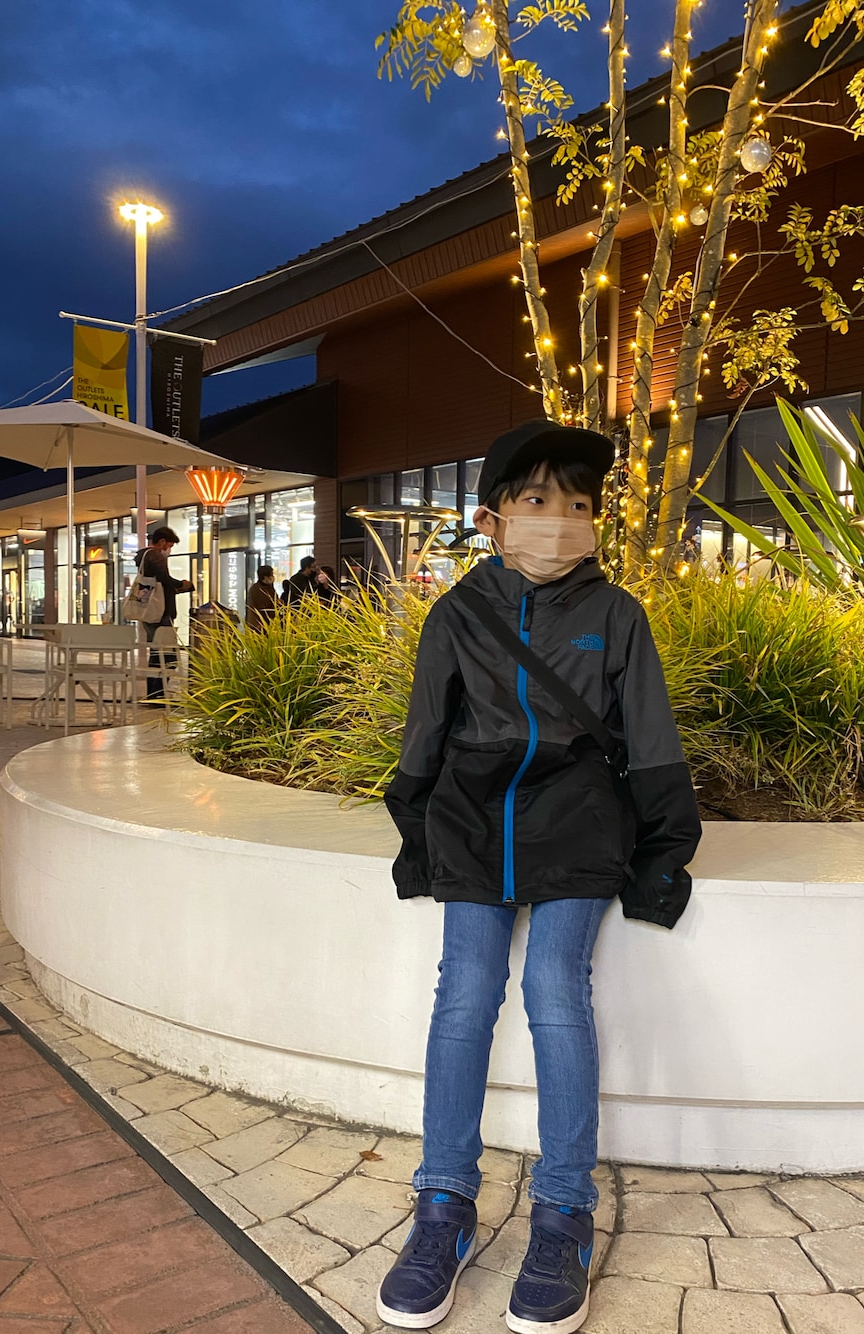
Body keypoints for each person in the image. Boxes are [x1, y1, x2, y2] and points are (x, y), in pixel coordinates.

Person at [376, 421, 701, 1333]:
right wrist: (417, 836)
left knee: (555, 987)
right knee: (465, 990)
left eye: (578, 503)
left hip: (578, 820)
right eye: (537, 500)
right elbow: (424, 735)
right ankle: (443, 1204)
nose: (560, 518)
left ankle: (563, 1213)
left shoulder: (616, 614)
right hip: (474, 822)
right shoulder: (457, 613)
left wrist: (665, 852)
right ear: (493, 517)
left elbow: (650, 738)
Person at [134, 526, 193, 702]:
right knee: (168, 655)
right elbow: (164, 579)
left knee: (156, 653)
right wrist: (182, 584)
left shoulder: (144, 556)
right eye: (170, 545)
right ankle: (157, 694)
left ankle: (154, 693)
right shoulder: (155, 555)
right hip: (160, 613)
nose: (169, 550)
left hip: (150, 612)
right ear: (161, 542)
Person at [245, 565, 280, 630]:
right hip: (259, 624)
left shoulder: (268, 587)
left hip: (265, 623)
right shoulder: (257, 589)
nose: (272, 577)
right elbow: (263, 608)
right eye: (271, 575)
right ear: (265, 577)